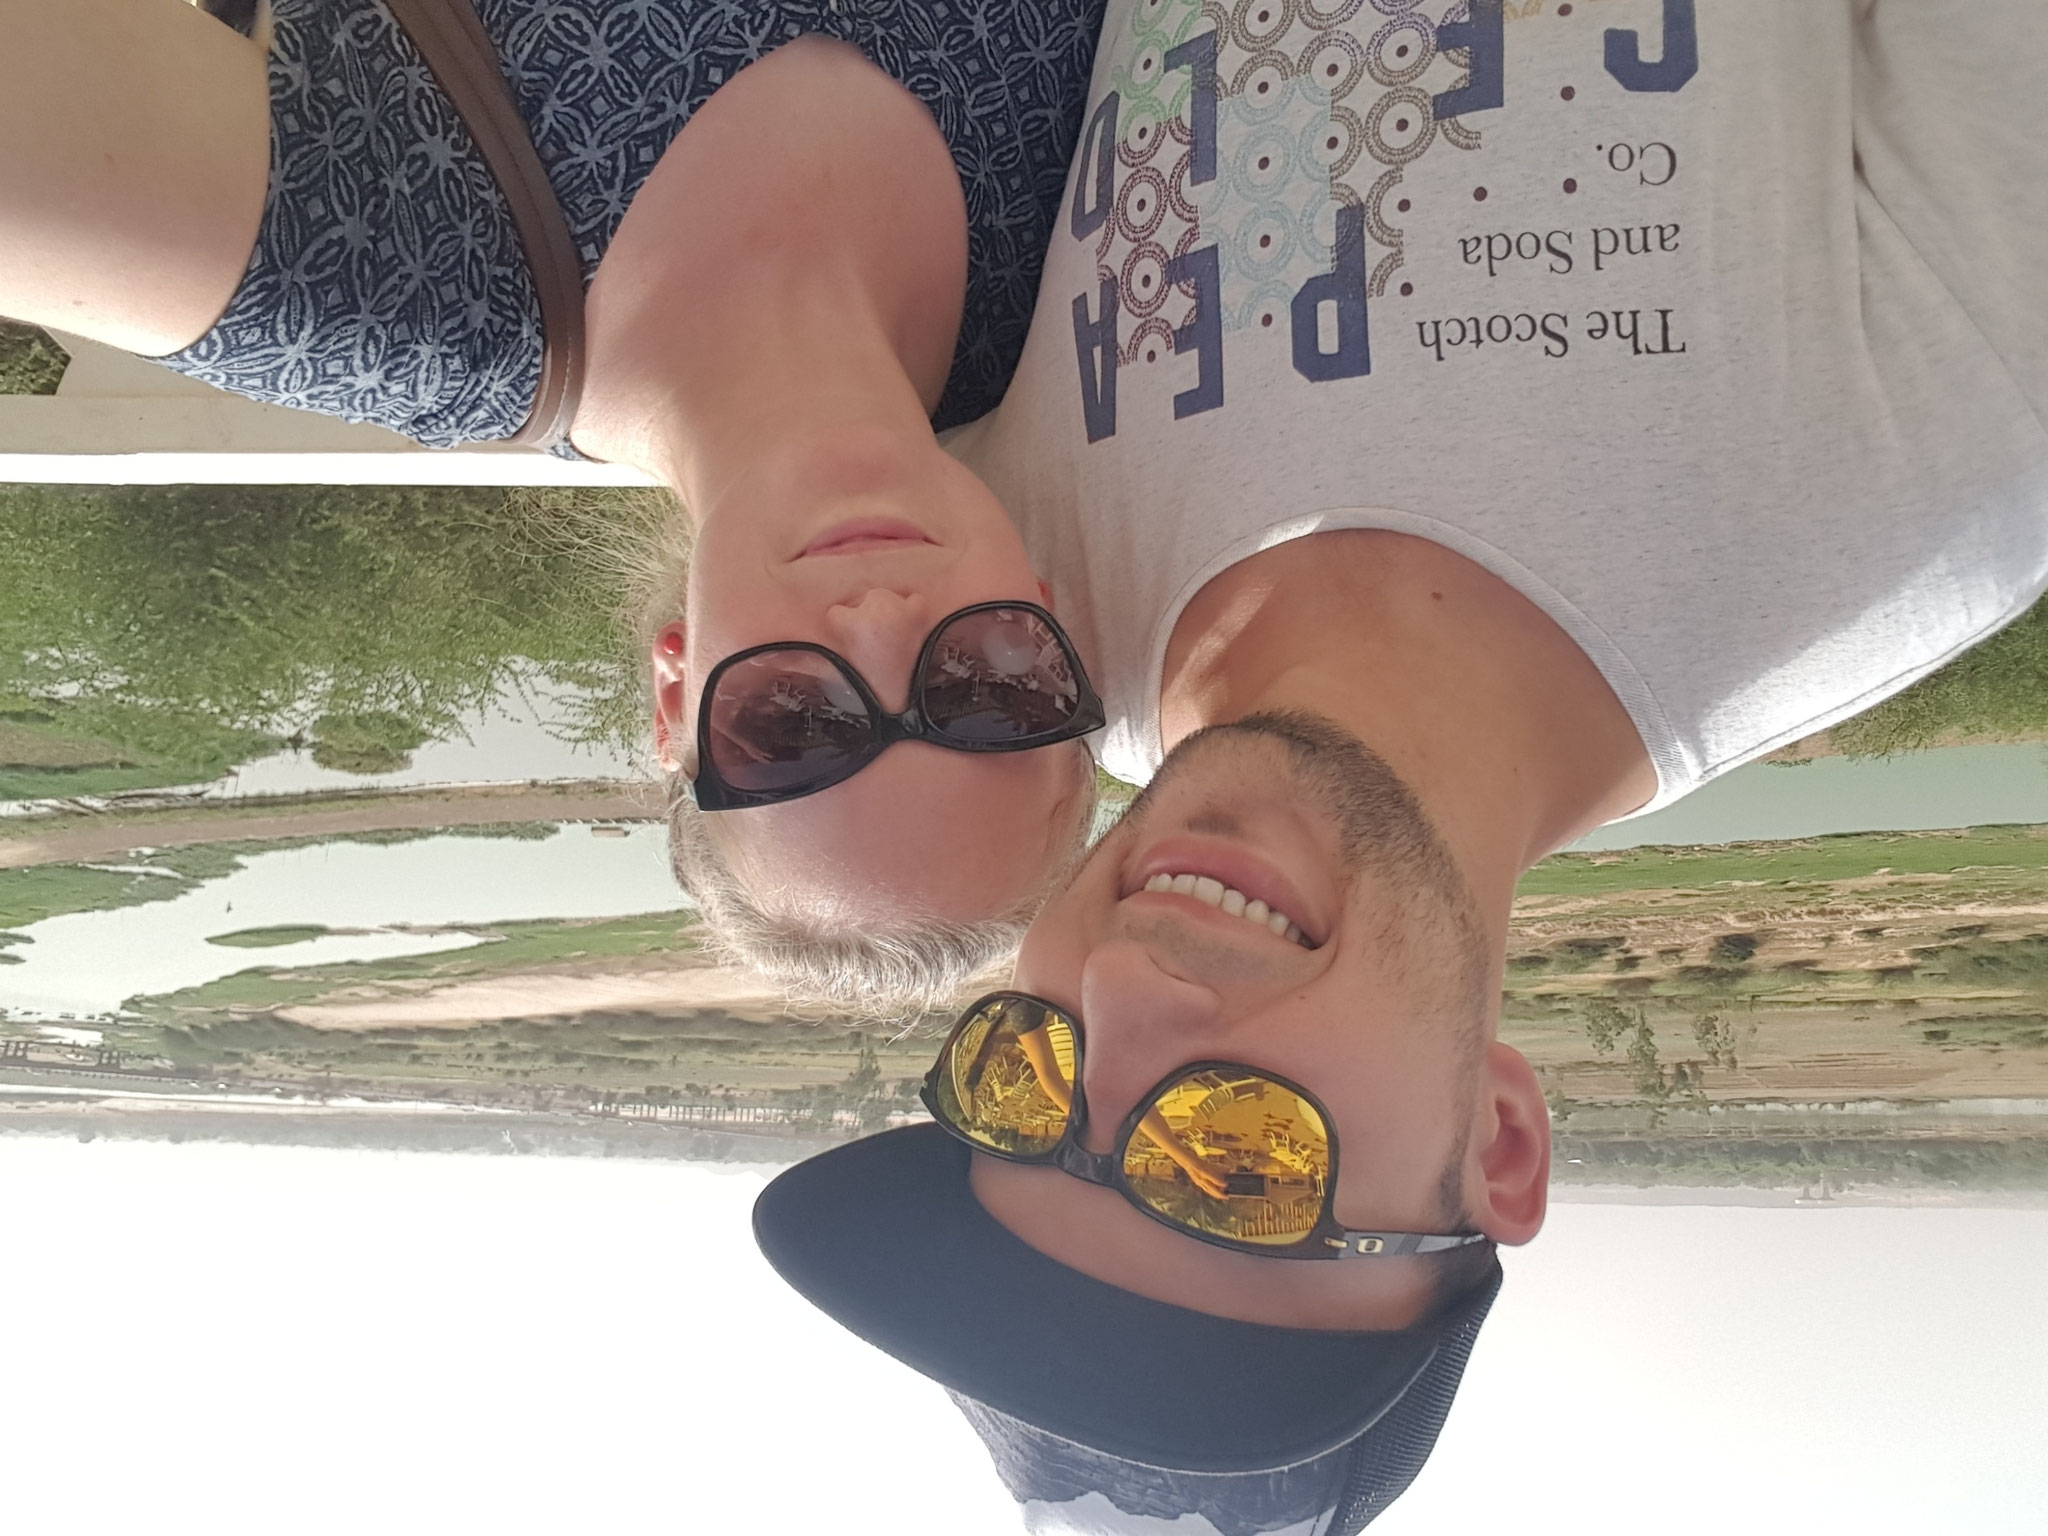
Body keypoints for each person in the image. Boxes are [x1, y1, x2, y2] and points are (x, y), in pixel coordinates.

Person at [759, 0, 2048, 1527]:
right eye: (1237, 1162)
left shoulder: (996, 595)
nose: (1118, 994)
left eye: (1022, 1084)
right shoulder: (1936, 478)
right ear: (1496, 1146)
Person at [0, 0, 1108, 1013]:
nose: (877, 623)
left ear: (675, 691)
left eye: (794, 723)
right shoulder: (1089, 253)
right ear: (1050, 626)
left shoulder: (400, 297)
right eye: (988, 694)